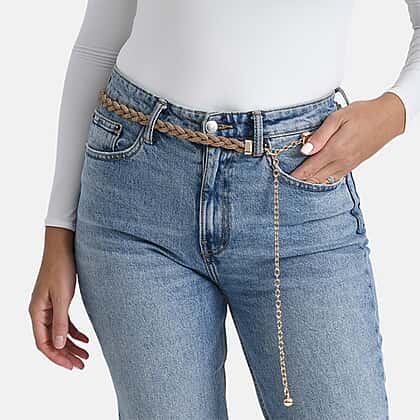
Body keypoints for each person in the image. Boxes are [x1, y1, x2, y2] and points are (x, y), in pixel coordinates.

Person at [29, 1, 419, 419]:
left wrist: (396, 110)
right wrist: (59, 228)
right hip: (136, 195)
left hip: (297, 186)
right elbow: (100, 40)